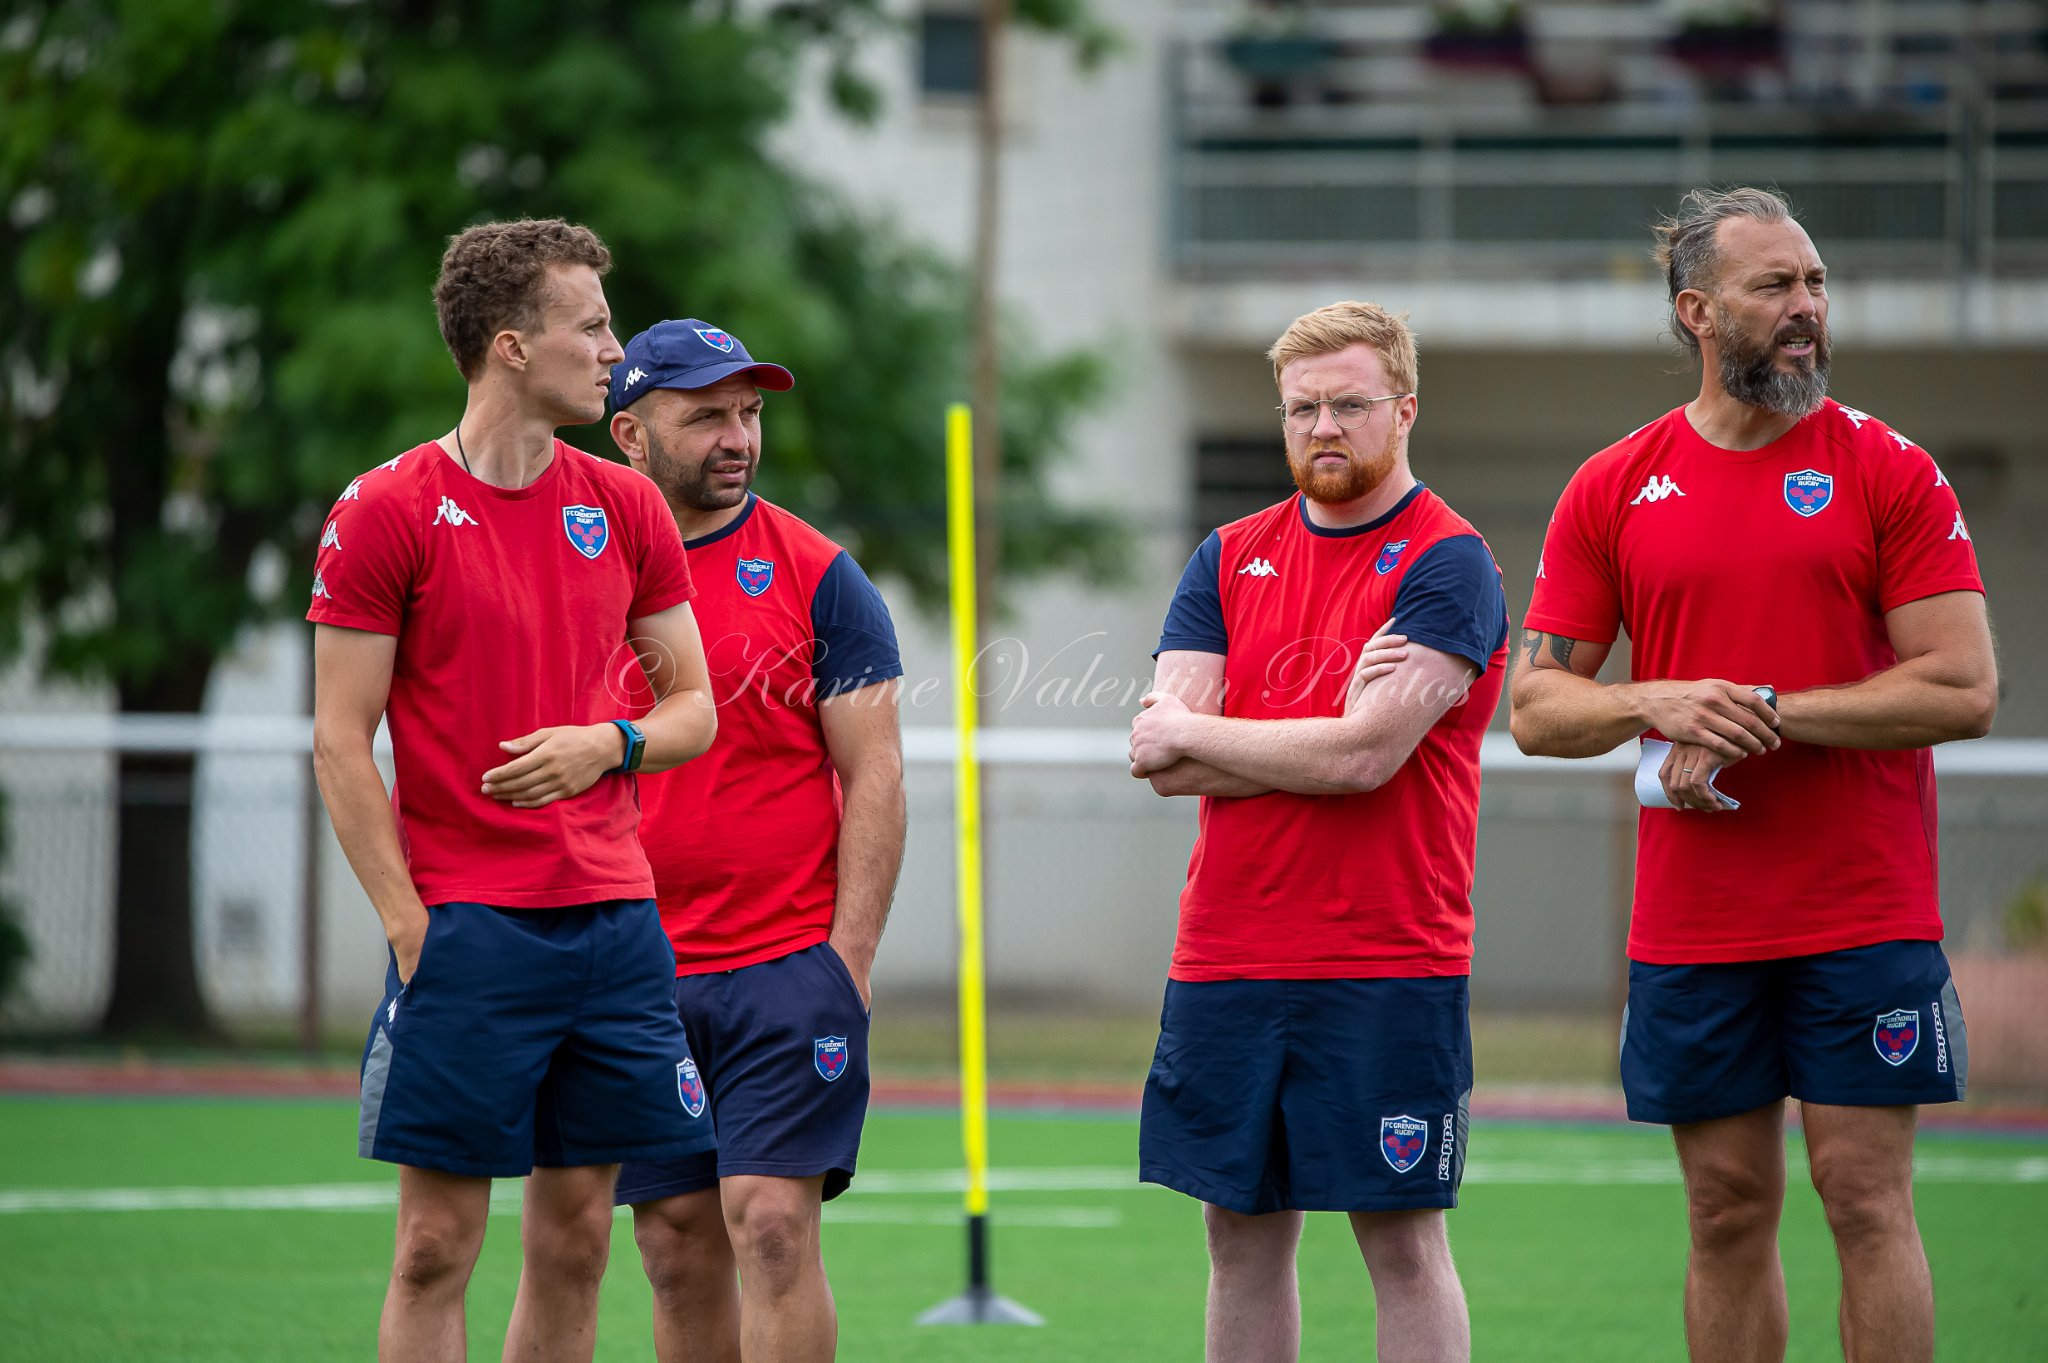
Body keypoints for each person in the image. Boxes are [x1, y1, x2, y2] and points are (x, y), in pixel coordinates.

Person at [1511, 186, 1998, 1363]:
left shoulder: (1890, 471)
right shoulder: (1610, 485)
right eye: (1773, 286)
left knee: (1862, 1198)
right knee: (1723, 1209)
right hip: (1693, 923)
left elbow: (1960, 687)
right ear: (1695, 310)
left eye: (1815, 284)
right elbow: (1534, 707)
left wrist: (1763, 712)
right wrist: (1649, 698)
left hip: (1859, 909)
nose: (1806, 308)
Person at [309, 219, 720, 1363]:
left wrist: (609, 744)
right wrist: (406, 924)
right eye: (590, 326)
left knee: (581, 1235)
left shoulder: (628, 505)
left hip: (612, 924)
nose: (614, 349)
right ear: (506, 346)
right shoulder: (383, 509)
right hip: (464, 928)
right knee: (436, 1244)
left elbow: (693, 710)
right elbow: (340, 742)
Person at [1128, 301, 1508, 1363]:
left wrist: (1229, 735)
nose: (1323, 426)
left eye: (1348, 404)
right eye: (1302, 408)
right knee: (1235, 1233)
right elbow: (1163, 758)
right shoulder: (1226, 554)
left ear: (1404, 407)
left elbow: (1366, 759)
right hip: (1226, 953)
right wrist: (1322, 727)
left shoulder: (1448, 561)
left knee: (1398, 1239)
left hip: (1385, 956)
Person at [607, 319, 906, 1363]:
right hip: (632, 974)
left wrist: (848, 960)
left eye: (749, 414)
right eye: (706, 417)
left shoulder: (821, 575)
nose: (737, 437)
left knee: (774, 1227)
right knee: (674, 1246)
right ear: (630, 434)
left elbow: (875, 775)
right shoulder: (578, 567)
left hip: (784, 966)